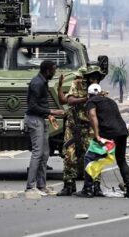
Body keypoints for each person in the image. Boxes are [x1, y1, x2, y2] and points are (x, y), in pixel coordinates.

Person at [75, 84, 129, 198]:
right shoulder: (110, 101)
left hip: (107, 134)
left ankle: (87, 189)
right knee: (121, 160)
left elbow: (92, 116)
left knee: (89, 157)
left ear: (89, 94)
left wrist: (97, 135)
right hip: (122, 132)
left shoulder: (91, 101)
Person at [25, 60, 65, 195]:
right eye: (54, 70)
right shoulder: (37, 83)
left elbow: (40, 104)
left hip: (41, 119)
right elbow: (32, 106)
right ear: (48, 70)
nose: (54, 72)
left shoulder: (43, 82)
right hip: (34, 120)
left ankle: (41, 186)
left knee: (45, 153)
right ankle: (30, 187)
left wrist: (48, 115)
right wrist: (52, 112)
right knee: (37, 153)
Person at [56, 68, 92, 196]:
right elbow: (64, 100)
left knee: (91, 156)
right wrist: (60, 86)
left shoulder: (94, 89)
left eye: (79, 78)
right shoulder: (75, 88)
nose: (77, 80)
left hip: (87, 128)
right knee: (69, 155)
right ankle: (69, 185)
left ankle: (92, 186)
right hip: (72, 127)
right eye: (76, 78)